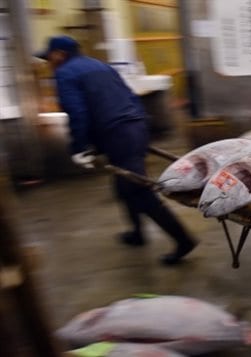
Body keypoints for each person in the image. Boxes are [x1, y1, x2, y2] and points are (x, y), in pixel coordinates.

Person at [36, 36, 197, 265]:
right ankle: (137, 233)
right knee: (124, 186)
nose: (48, 62)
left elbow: (78, 113)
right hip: (135, 127)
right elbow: (129, 96)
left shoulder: (65, 73)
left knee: (139, 190)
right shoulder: (100, 65)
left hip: (118, 134)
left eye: (49, 57)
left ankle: (183, 240)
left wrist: (79, 148)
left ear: (59, 54)